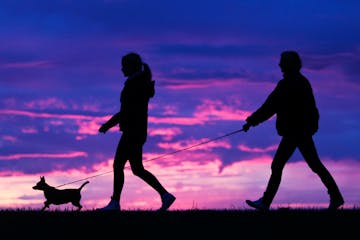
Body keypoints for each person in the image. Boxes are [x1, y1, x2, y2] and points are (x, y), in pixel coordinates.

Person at [243, 50, 344, 211]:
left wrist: (251, 122)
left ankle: (265, 202)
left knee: (278, 165)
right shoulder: (293, 83)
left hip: (296, 132)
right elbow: (270, 106)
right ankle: (336, 196)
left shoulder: (294, 84)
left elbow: (272, 106)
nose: (280, 64)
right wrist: (251, 122)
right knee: (314, 165)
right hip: (298, 132)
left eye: (283, 61)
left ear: (290, 64)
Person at [97, 52, 176, 211]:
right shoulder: (138, 82)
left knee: (118, 164)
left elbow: (126, 111)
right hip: (137, 131)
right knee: (137, 169)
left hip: (133, 132)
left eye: (124, 66)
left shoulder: (135, 85)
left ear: (131, 66)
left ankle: (115, 203)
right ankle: (165, 196)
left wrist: (108, 125)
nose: (121, 69)